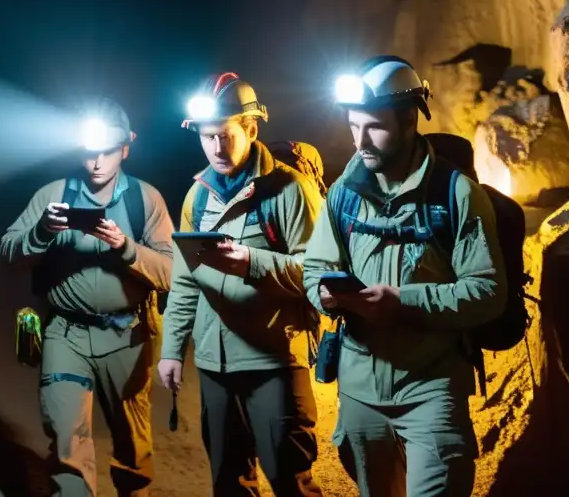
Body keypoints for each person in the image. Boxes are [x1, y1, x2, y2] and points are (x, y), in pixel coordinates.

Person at [302, 56, 507, 497]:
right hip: (359, 391)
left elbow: (488, 291)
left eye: (374, 126)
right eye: (353, 125)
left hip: (432, 388)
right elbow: (315, 268)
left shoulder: (455, 194)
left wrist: (404, 301)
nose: (360, 140)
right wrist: (325, 294)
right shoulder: (343, 194)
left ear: (409, 119)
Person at [157, 72, 325, 497]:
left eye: (226, 135)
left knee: (291, 482)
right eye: (206, 137)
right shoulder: (198, 197)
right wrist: (173, 351)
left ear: (251, 128)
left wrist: (253, 262)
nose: (216, 147)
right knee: (229, 484)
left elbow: (319, 273)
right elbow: (185, 281)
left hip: (274, 363)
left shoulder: (289, 190)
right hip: (215, 367)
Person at [0, 97, 174, 497]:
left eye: (107, 151)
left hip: (126, 338)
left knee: (133, 451)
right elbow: (8, 256)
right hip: (66, 334)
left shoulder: (145, 200)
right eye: (88, 150)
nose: (96, 161)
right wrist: (41, 232)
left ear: (126, 147)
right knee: (67, 447)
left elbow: (170, 273)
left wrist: (126, 248)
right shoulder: (52, 195)